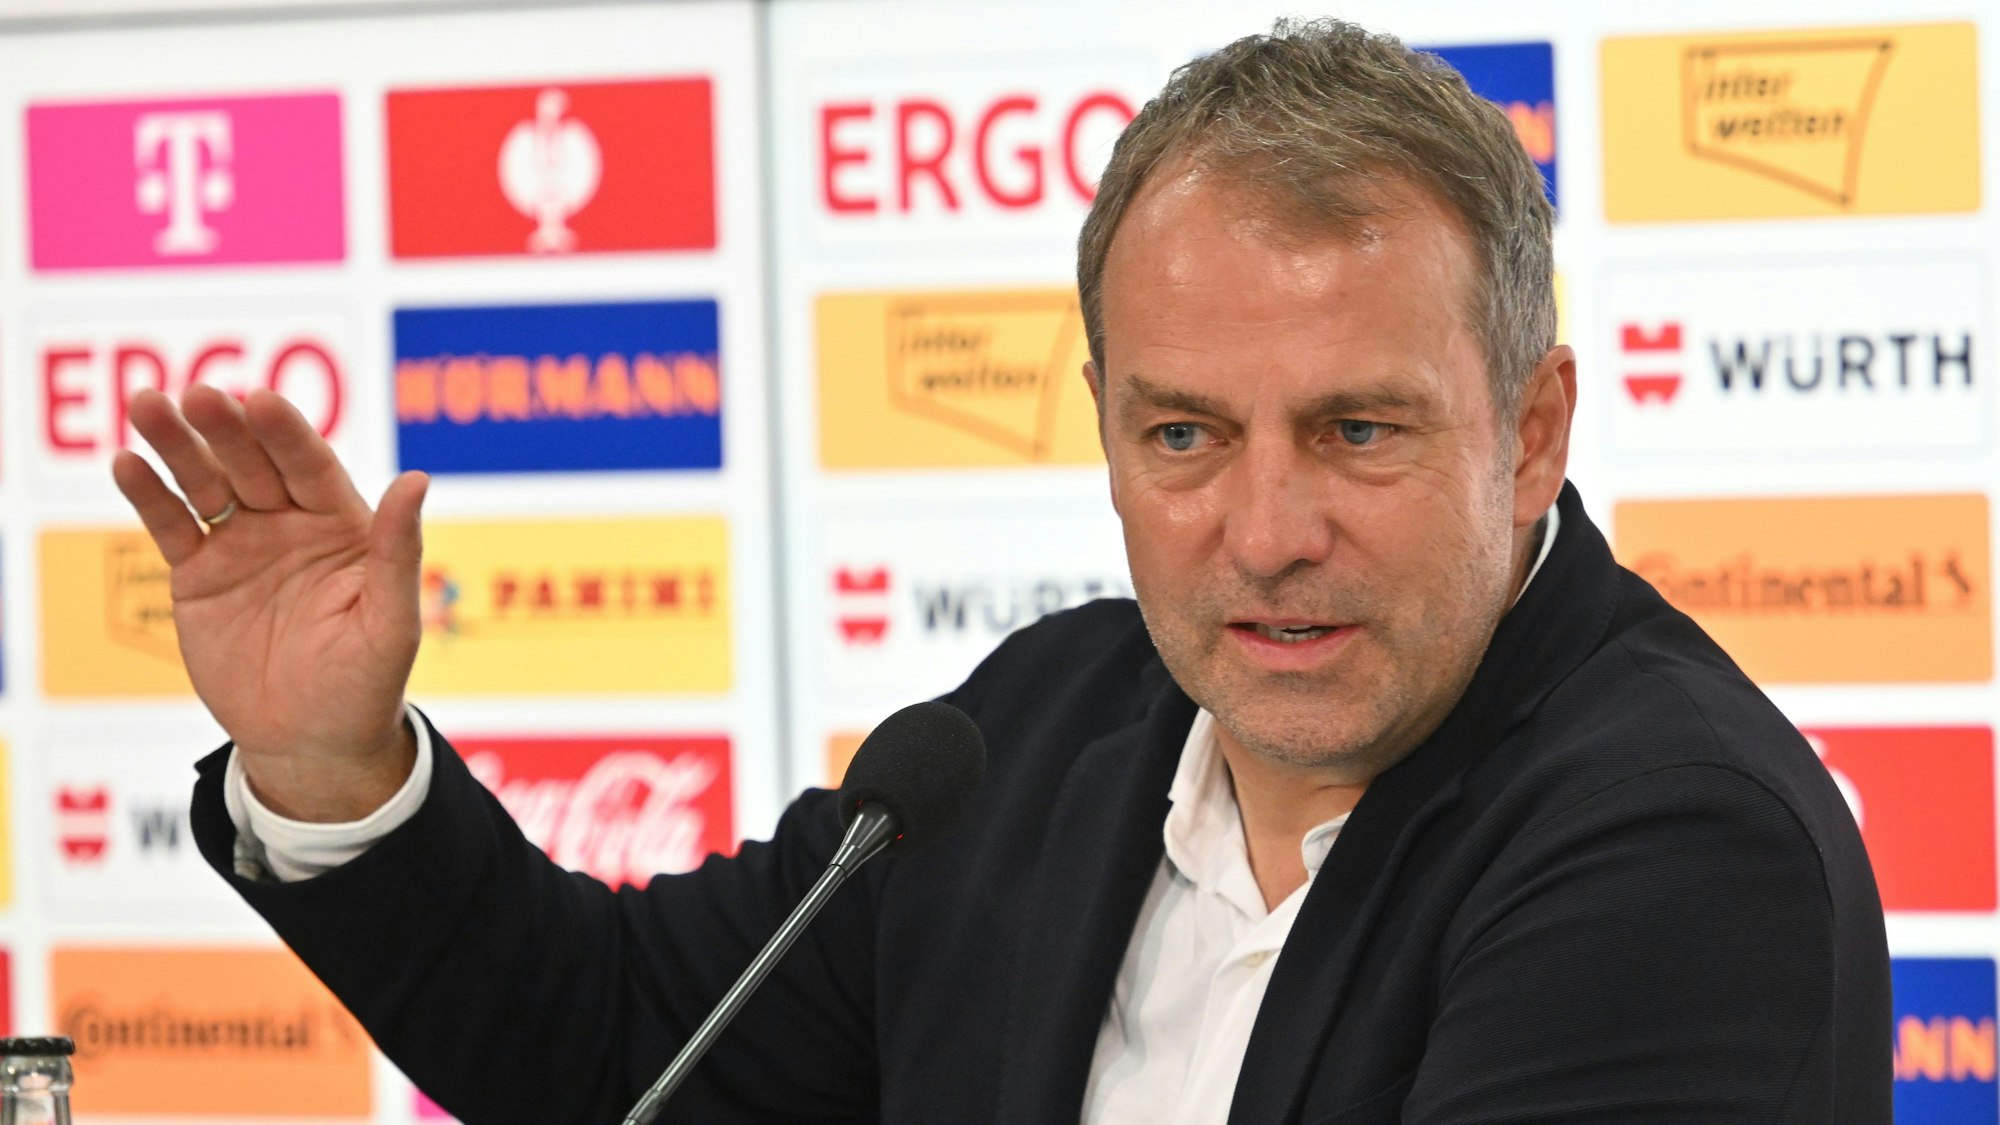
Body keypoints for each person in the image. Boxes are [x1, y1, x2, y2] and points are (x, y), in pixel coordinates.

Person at [114, 19, 1889, 1124]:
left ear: (1529, 431)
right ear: (1106, 421)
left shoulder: (1674, 838)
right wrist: (333, 768)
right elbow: (625, 1052)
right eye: (1185, 435)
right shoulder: (1046, 727)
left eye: (1358, 430)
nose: (1264, 529)